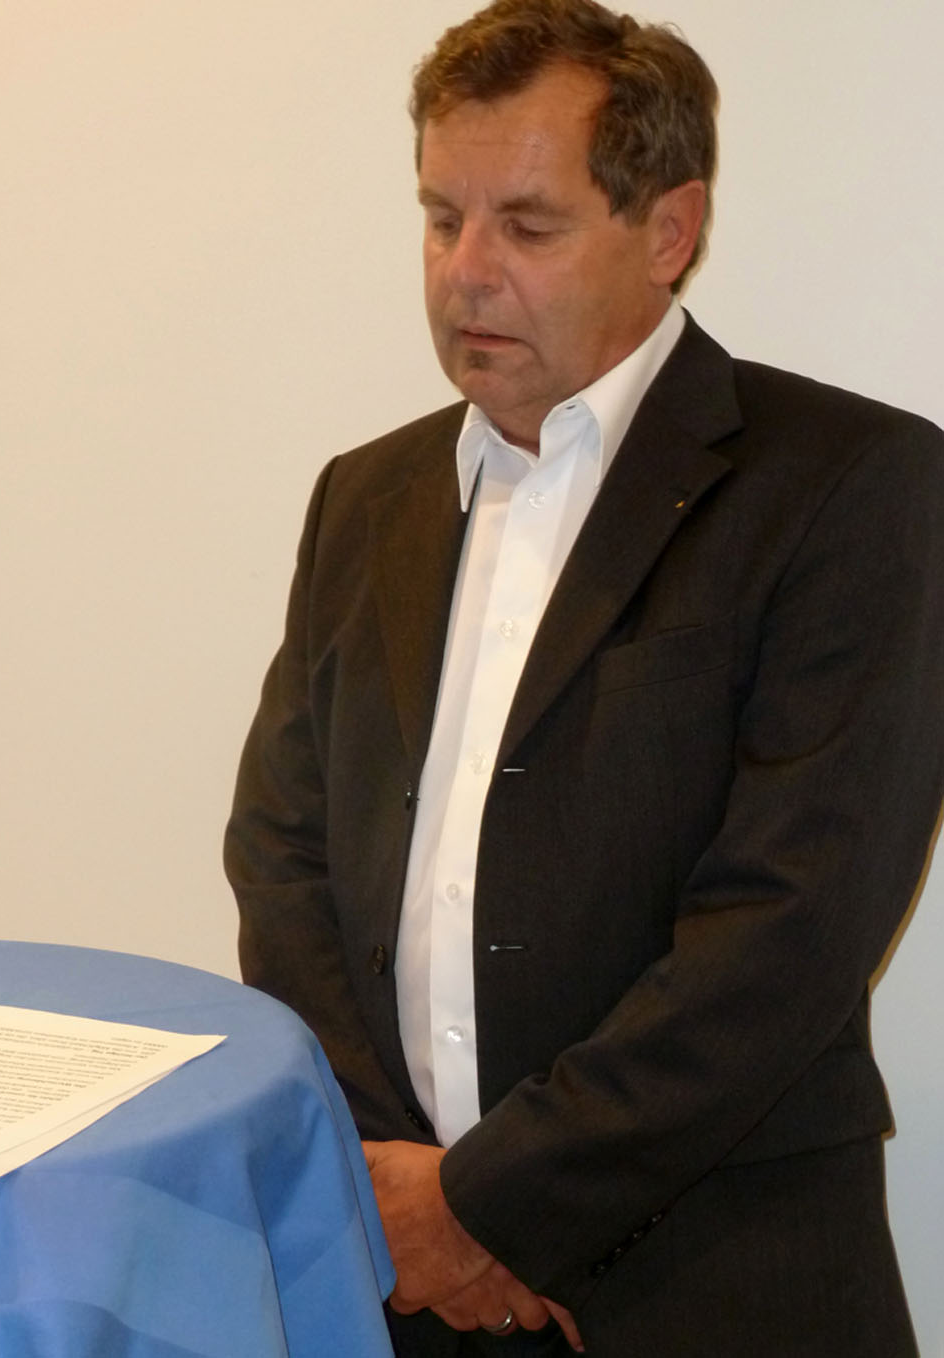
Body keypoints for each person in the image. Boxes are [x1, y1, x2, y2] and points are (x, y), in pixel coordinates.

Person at [224, 1, 944, 1353]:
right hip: (398, 1283)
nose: (465, 273)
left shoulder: (846, 487)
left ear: (669, 231)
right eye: (442, 217)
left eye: (528, 226)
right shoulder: (363, 497)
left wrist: (488, 1204)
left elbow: (789, 927)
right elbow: (282, 850)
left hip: (709, 1283)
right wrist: (397, 1196)